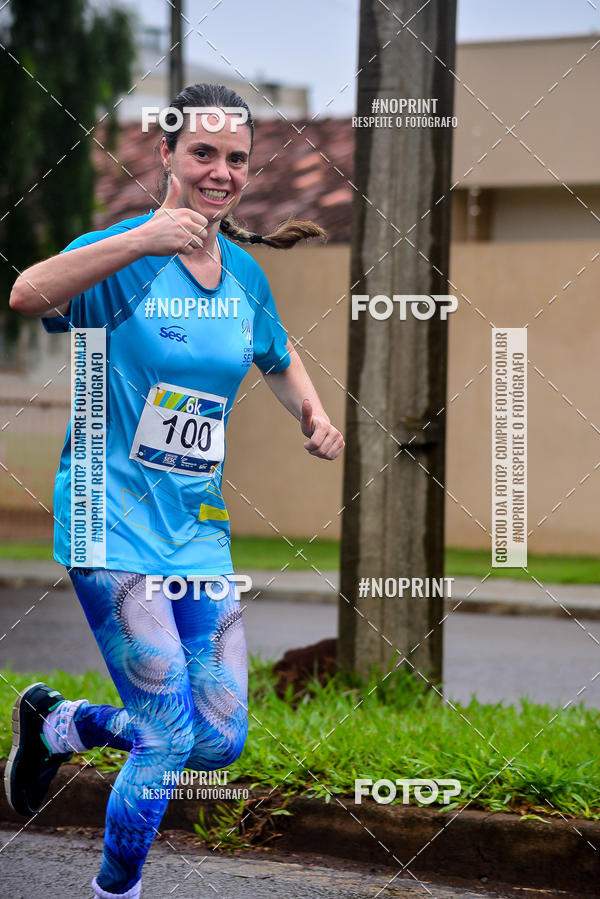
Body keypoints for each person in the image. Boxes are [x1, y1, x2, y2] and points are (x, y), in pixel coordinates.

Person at [5, 83, 344, 899]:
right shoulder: (125, 255)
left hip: (196, 534)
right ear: (167, 155)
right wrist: (144, 238)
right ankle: (114, 890)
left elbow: (274, 348)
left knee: (220, 739)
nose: (220, 171)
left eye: (235, 158)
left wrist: (314, 408)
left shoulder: (245, 276)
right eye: (203, 153)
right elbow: (25, 293)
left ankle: (61, 723)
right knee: (163, 734)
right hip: (106, 519)